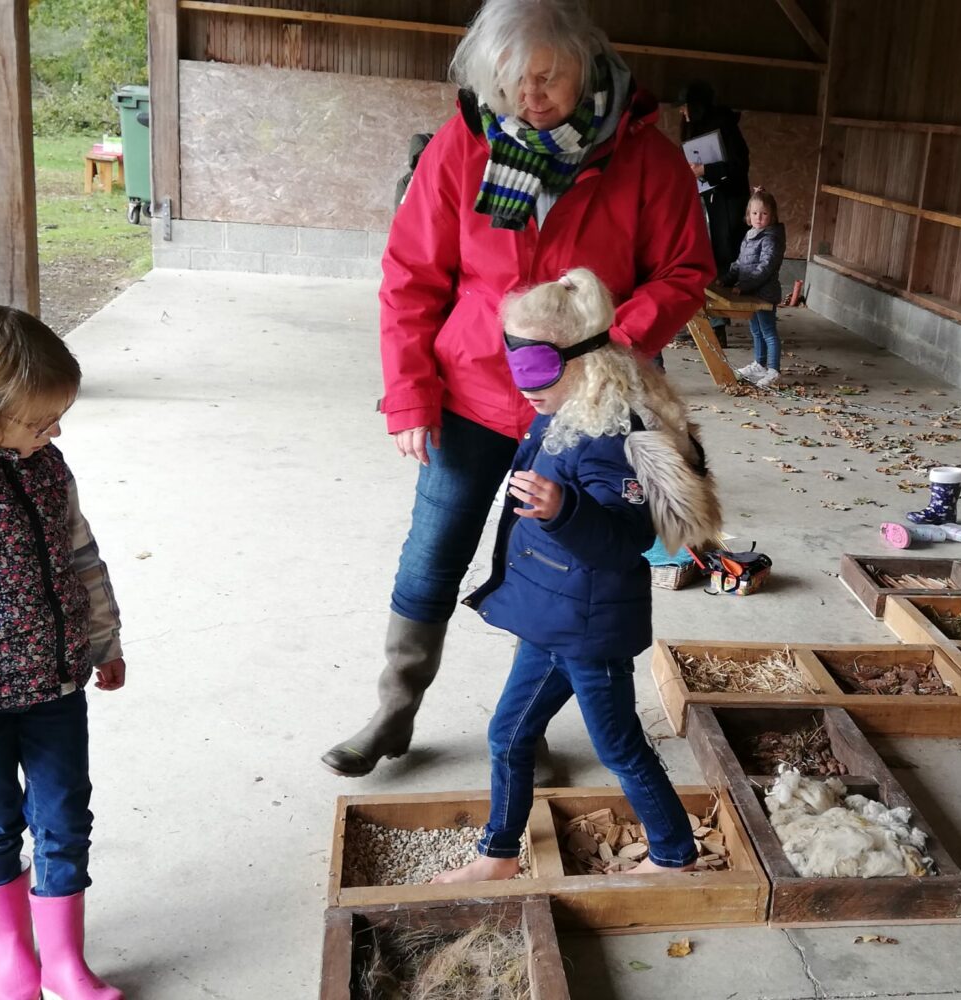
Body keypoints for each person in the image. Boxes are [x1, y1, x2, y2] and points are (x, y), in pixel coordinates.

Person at [321, 0, 713, 777]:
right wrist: (408, 392)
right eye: (507, 82)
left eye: (545, 77)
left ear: (587, 61)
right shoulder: (461, 146)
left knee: (563, 566)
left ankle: (522, 728)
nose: (527, 97)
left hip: (591, 408)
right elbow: (410, 278)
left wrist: (601, 348)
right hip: (471, 393)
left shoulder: (647, 157)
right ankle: (394, 712)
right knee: (432, 554)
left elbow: (684, 274)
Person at [432, 270, 722, 883]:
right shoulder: (556, 415)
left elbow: (627, 543)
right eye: (513, 362)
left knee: (618, 746)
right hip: (550, 618)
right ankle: (499, 853)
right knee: (508, 734)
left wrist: (564, 511)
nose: (524, 386)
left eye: (536, 367)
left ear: (588, 360)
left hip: (591, 628)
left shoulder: (610, 437)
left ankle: (674, 854)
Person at [0, 306, 125, 1000]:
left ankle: (64, 960)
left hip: (54, 686)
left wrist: (103, 640)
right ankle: (13, 954)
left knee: (64, 814)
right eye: (40, 421)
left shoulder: (48, 469)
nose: (56, 432)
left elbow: (82, 557)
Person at [680, 80, 751, 348]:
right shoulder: (696, 126)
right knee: (703, 258)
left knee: (718, 262)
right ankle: (703, 323)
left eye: (685, 106)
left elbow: (739, 165)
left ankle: (716, 327)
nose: (681, 112)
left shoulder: (725, 127)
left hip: (727, 205)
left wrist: (705, 171)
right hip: (708, 201)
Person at [726, 188, 786, 389]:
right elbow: (740, 263)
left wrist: (744, 285)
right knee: (756, 331)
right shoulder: (750, 234)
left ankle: (774, 370)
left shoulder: (770, 238)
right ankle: (759, 365)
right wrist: (726, 280)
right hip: (751, 292)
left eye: (764, 213)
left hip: (764, 293)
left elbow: (765, 267)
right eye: (754, 213)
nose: (759, 218)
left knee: (768, 331)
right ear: (748, 215)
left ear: (773, 216)